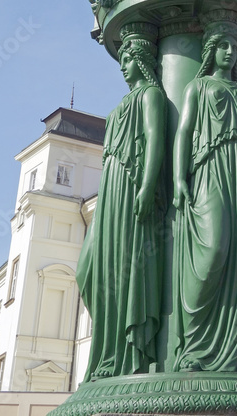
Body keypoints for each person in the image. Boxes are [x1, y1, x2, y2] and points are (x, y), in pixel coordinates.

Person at [172, 17, 237, 373]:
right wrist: (179, 177)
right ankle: (195, 347)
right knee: (213, 250)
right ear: (211, 51)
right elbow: (184, 131)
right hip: (210, 168)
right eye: (223, 46)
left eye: (235, 47)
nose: (230, 52)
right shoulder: (198, 87)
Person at [77, 27, 166, 379]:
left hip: (133, 189)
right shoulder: (116, 112)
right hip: (111, 194)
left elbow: (157, 139)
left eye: (131, 58)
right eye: (123, 59)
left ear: (144, 62)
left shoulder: (151, 97)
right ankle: (108, 351)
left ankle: (132, 353)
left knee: (130, 268)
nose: (124, 65)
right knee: (89, 270)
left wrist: (147, 186)